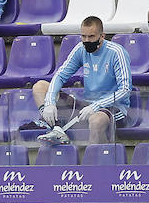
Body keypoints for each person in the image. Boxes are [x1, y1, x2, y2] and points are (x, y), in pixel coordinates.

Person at [29, 15, 132, 146]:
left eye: (91, 36)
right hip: (86, 105)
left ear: (102, 36)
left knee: (96, 121)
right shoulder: (80, 48)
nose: (87, 40)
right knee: (40, 87)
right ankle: (56, 128)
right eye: (83, 36)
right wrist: (49, 103)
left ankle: (91, 162)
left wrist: (96, 106)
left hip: (113, 108)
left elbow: (125, 89)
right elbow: (60, 75)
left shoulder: (117, 52)